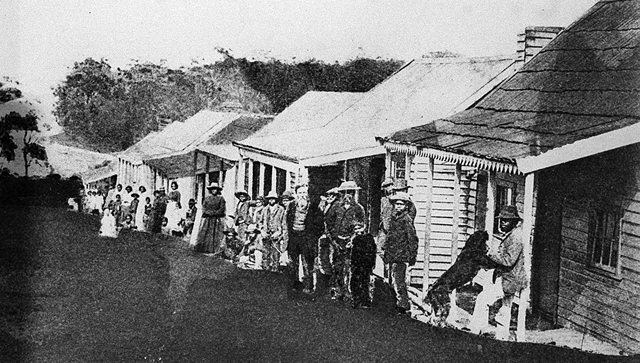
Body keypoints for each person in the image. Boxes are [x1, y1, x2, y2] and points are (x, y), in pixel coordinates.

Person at [467, 205, 526, 341]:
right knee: (505, 308)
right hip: (508, 278)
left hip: (510, 279)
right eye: (501, 220)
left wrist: (490, 254)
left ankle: (475, 331)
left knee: (483, 298)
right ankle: (502, 337)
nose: (503, 222)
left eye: (506, 220)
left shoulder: (516, 237)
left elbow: (508, 261)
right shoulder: (512, 234)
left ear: (514, 222)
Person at [383, 192, 419, 315]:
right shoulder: (394, 218)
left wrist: (412, 256)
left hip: (401, 255)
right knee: (392, 280)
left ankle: (403, 305)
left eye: (401, 204)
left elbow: (412, 239)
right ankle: (395, 303)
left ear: (406, 206)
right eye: (396, 204)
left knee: (399, 281)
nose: (398, 206)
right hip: (393, 254)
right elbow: (389, 237)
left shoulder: (406, 220)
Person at [331, 181, 366, 301]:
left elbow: (362, 225)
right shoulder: (335, 207)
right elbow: (328, 224)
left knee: (350, 267)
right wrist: (333, 240)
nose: (347, 196)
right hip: (337, 242)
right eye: (344, 193)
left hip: (351, 243)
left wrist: (352, 239)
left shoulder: (358, 209)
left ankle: (349, 291)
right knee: (337, 267)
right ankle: (339, 290)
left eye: (350, 192)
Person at [285, 185, 321, 292]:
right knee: (292, 263)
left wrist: (312, 237)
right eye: (300, 193)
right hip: (294, 238)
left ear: (307, 194)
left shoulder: (313, 207)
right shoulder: (291, 206)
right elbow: (287, 221)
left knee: (307, 263)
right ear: (296, 194)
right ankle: (295, 285)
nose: (302, 195)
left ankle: (308, 286)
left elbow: (319, 225)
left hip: (306, 238)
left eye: (304, 193)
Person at [317, 187, 341, 294]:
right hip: (326, 236)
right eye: (328, 196)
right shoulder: (327, 206)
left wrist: (332, 235)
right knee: (325, 259)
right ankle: (328, 284)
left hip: (333, 237)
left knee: (333, 260)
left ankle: (334, 285)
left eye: (332, 196)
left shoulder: (337, 206)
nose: (329, 197)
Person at [348, 221, 377, 309]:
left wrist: (372, 263)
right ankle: (355, 300)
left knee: (365, 281)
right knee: (354, 281)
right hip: (356, 263)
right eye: (355, 229)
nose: (358, 231)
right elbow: (352, 253)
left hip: (366, 263)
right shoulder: (354, 239)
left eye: (359, 228)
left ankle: (365, 301)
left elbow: (373, 251)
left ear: (364, 227)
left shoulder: (369, 238)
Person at [193, 182, 226, 254]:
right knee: (206, 232)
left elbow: (221, 209)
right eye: (212, 189)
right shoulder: (207, 198)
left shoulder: (221, 198)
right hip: (208, 219)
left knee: (215, 233)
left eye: (215, 189)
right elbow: (204, 207)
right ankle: (205, 248)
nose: (214, 190)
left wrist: (214, 213)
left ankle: (214, 248)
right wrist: (208, 213)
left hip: (216, 219)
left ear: (218, 190)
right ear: (210, 190)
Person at [261, 191, 285, 271]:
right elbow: (260, 222)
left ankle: (275, 271)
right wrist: (262, 231)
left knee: (275, 254)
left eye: (273, 199)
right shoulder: (265, 209)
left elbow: (283, 223)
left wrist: (279, 232)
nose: (271, 200)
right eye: (269, 199)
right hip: (266, 234)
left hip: (276, 235)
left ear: (276, 199)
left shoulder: (281, 209)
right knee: (265, 253)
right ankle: (266, 271)